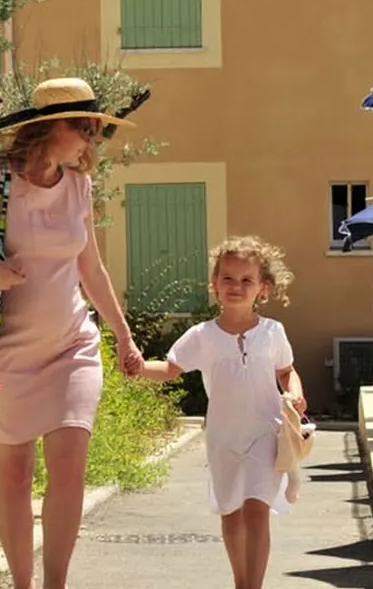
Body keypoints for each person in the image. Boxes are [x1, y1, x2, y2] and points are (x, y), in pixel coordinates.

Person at [0, 77, 144, 589]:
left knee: (70, 466)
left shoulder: (79, 185)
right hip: (0, 351)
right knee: (15, 475)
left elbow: (90, 268)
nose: (91, 141)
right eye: (85, 129)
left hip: (71, 345)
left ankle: (57, 585)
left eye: (95, 130)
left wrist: (123, 335)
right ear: (52, 128)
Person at [137, 236, 306, 589]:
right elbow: (170, 369)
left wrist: (294, 392)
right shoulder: (202, 335)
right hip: (223, 438)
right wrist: (137, 367)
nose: (236, 286)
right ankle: (240, 581)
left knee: (258, 510)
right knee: (231, 512)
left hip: (265, 433)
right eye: (228, 278)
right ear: (214, 284)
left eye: (246, 280)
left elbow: (286, 370)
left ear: (263, 288)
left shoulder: (273, 332)